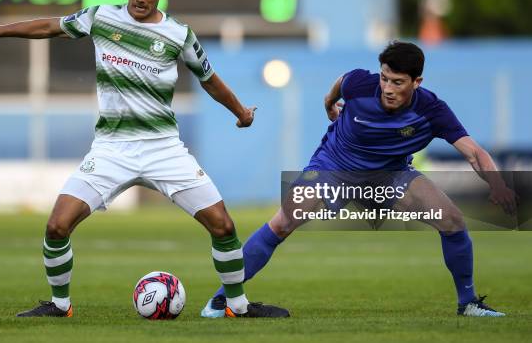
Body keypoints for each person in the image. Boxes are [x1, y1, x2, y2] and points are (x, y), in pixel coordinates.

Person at [0, 0, 288, 319]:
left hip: (164, 149)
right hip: (112, 149)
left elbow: (209, 79)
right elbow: (48, 26)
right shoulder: (100, 18)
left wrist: (240, 111)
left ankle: (237, 307)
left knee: (223, 225)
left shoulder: (179, 35)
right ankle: (59, 305)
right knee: (57, 225)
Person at [201, 41, 517, 318]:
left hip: (390, 176)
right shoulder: (360, 84)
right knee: (284, 221)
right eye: (384, 78)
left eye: (398, 82)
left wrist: (498, 184)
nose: (388, 88)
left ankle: (469, 303)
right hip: (334, 167)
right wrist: (328, 104)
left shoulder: (433, 111)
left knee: (452, 220)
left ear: (416, 82)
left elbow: (473, 151)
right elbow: (340, 84)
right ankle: (220, 301)